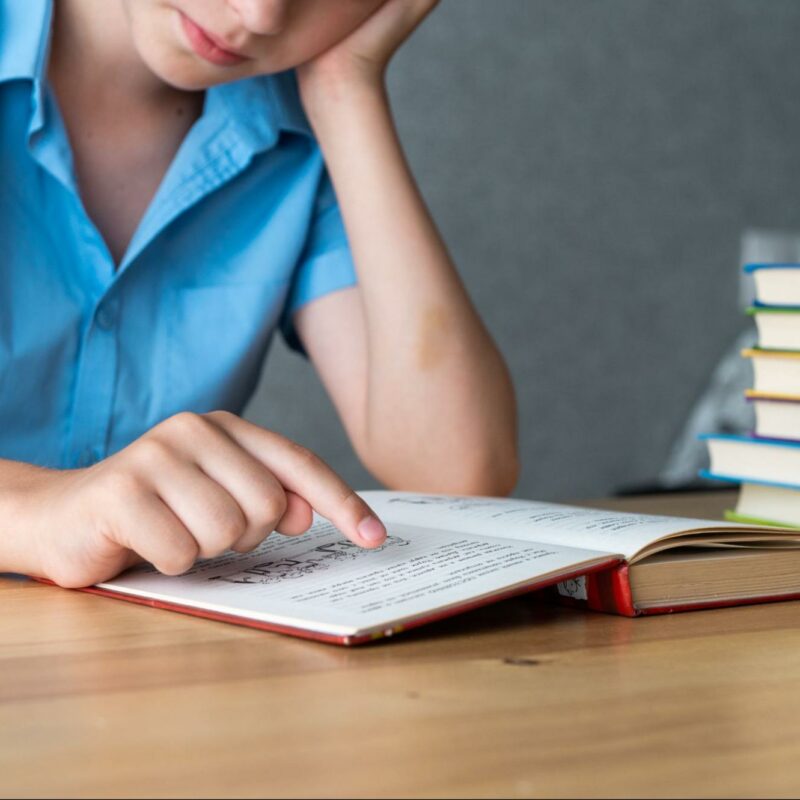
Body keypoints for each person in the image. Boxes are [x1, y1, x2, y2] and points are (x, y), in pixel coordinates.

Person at [0, 0, 518, 589]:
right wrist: (40, 509)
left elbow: (458, 474)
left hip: (137, 663)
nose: (261, 12)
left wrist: (345, 90)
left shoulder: (296, 134)